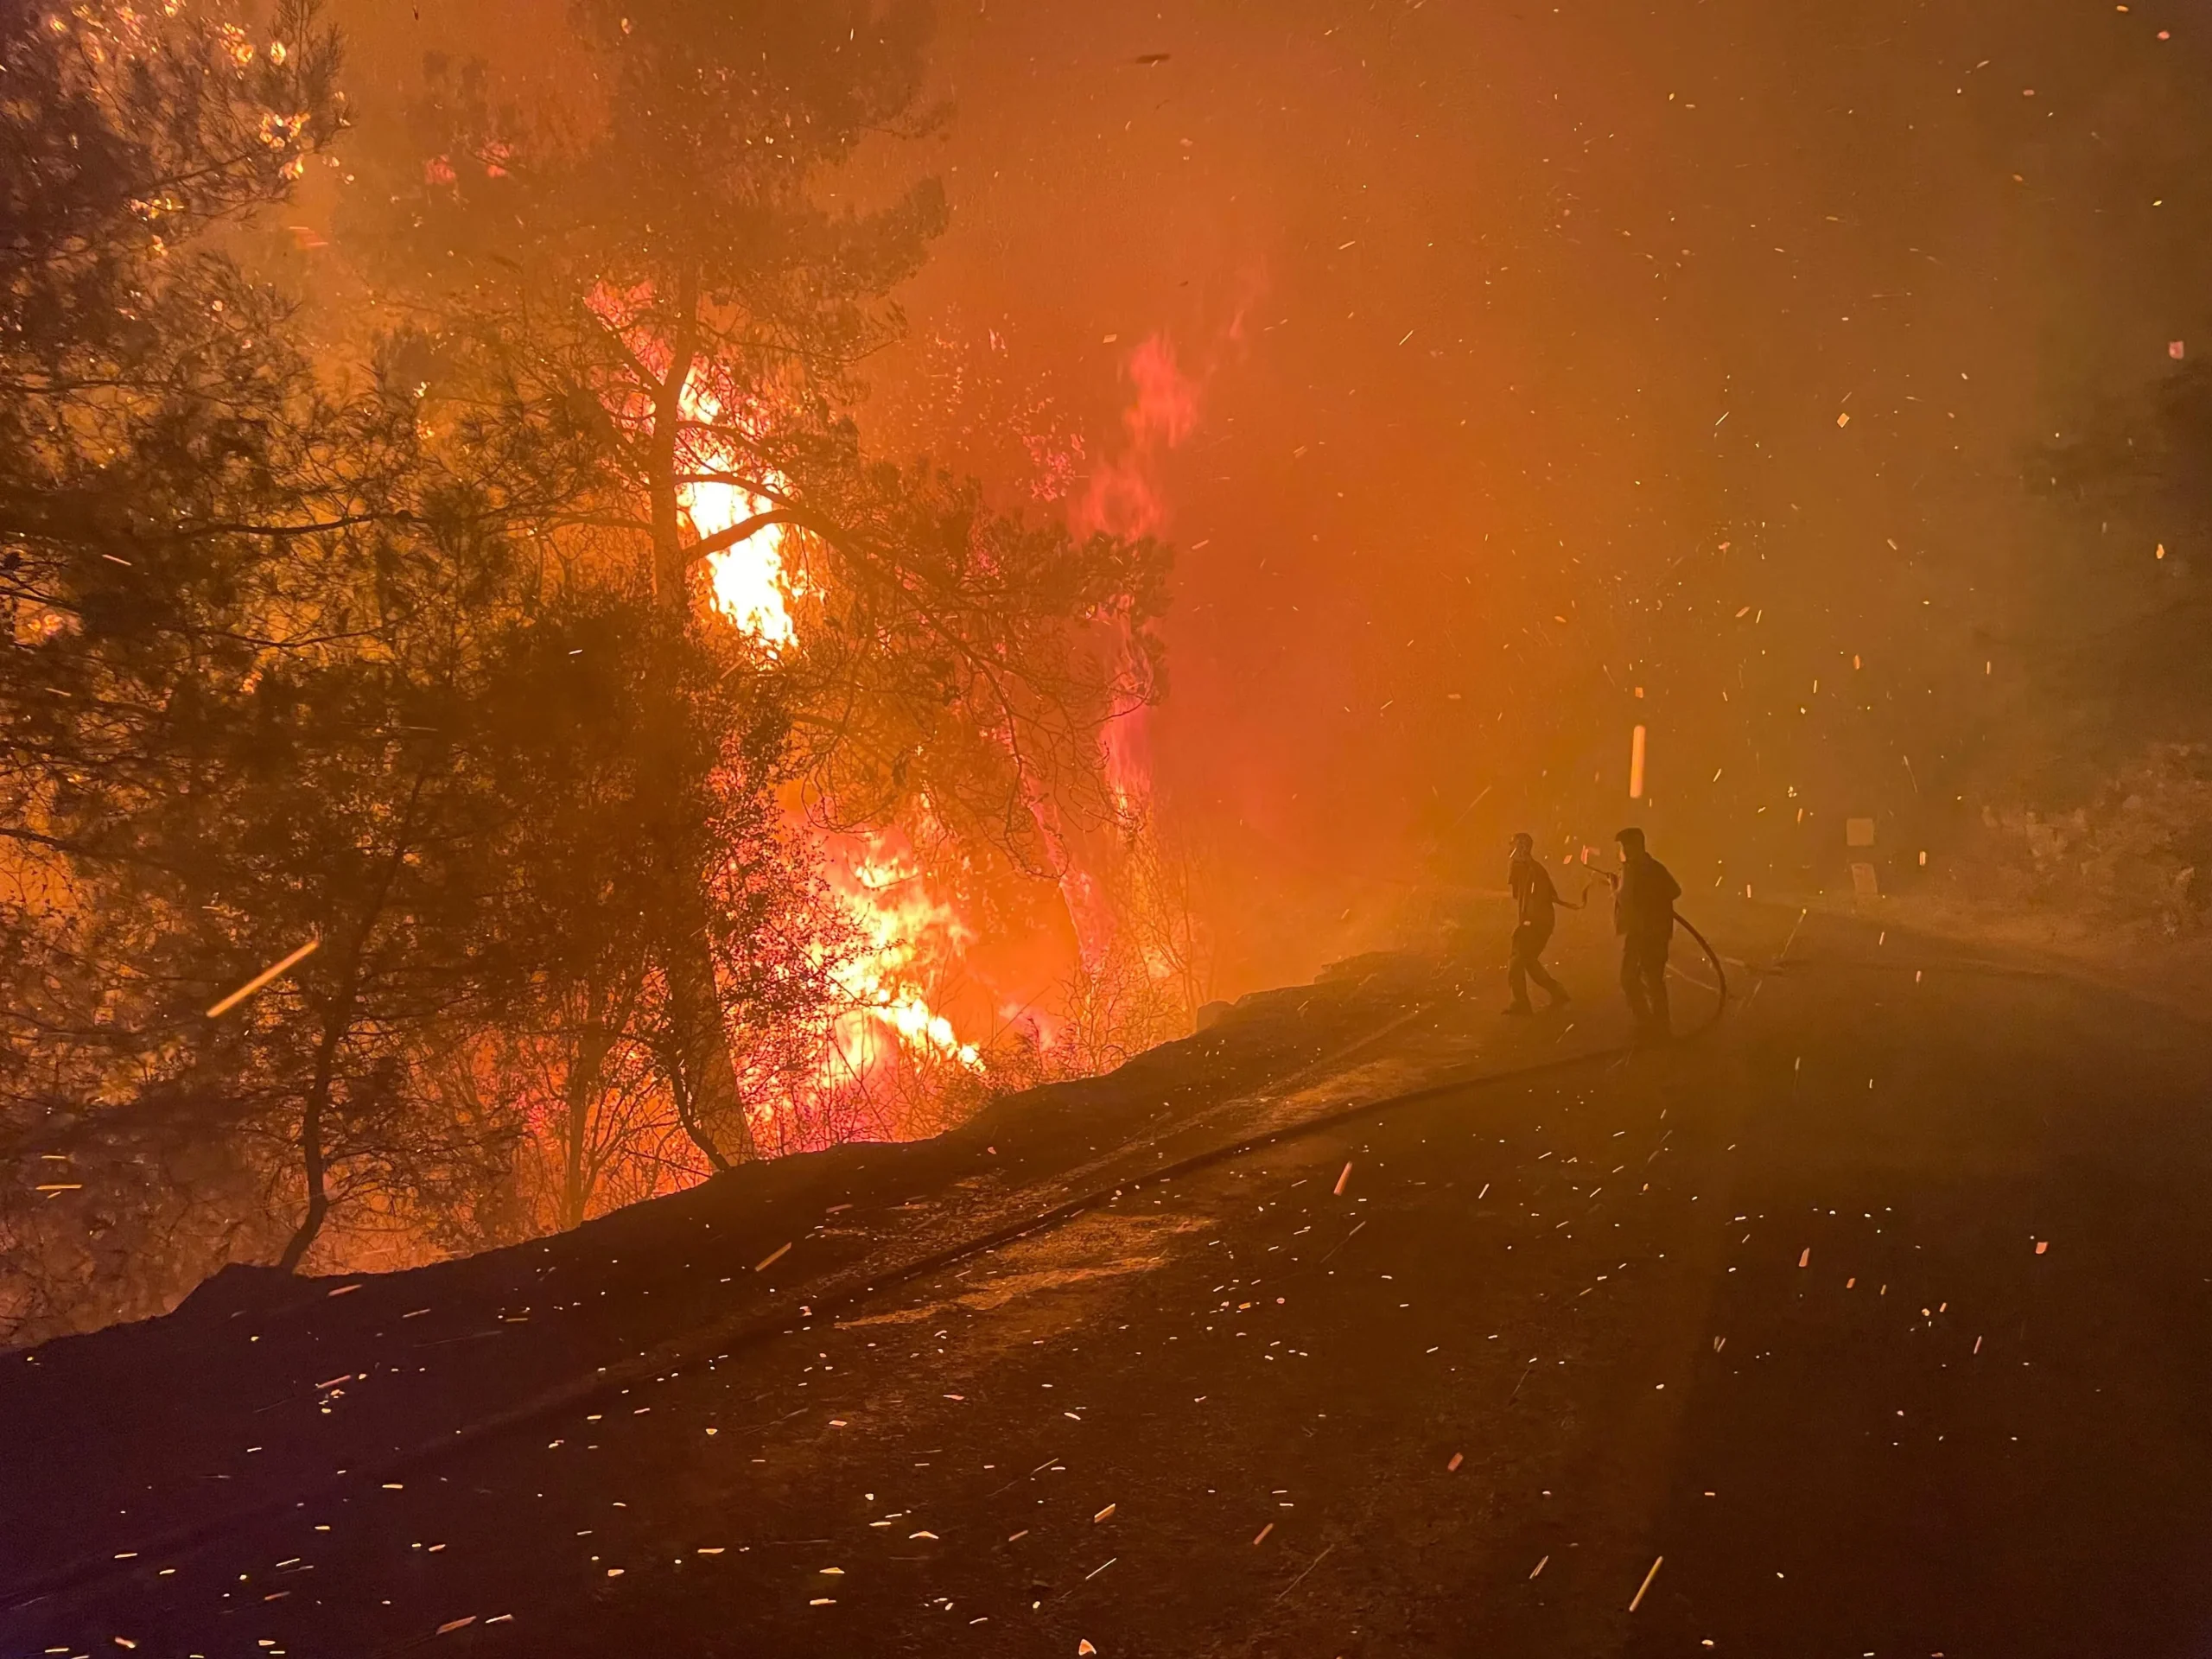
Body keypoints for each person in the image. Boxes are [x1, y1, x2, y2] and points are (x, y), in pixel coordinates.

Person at [1612, 825, 1681, 1039]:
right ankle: (1649, 1023)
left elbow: (1674, 890)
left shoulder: (1650, 869)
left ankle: (1659, 1027)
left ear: (1637, 846)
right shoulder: (1633, 870)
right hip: (1639, 933)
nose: (1624, 850)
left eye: (1627, 846)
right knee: (1631, 978)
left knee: (1650, 979)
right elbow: (1626, 898)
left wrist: (1649, 902)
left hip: (1652, 934)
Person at [1504, 832, 1578, 1014]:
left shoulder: (1533, 871)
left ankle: (1521, 1003)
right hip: (1537, 922)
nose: (1509, 850)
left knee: (1517, 962)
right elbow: (1518, 894)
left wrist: (1527, 924)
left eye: (1513, 845)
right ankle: (1557, 992)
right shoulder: (1527, 869)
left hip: (1536, 922)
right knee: (1528, 961)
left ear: (1521, 848)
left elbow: (1537, 900)